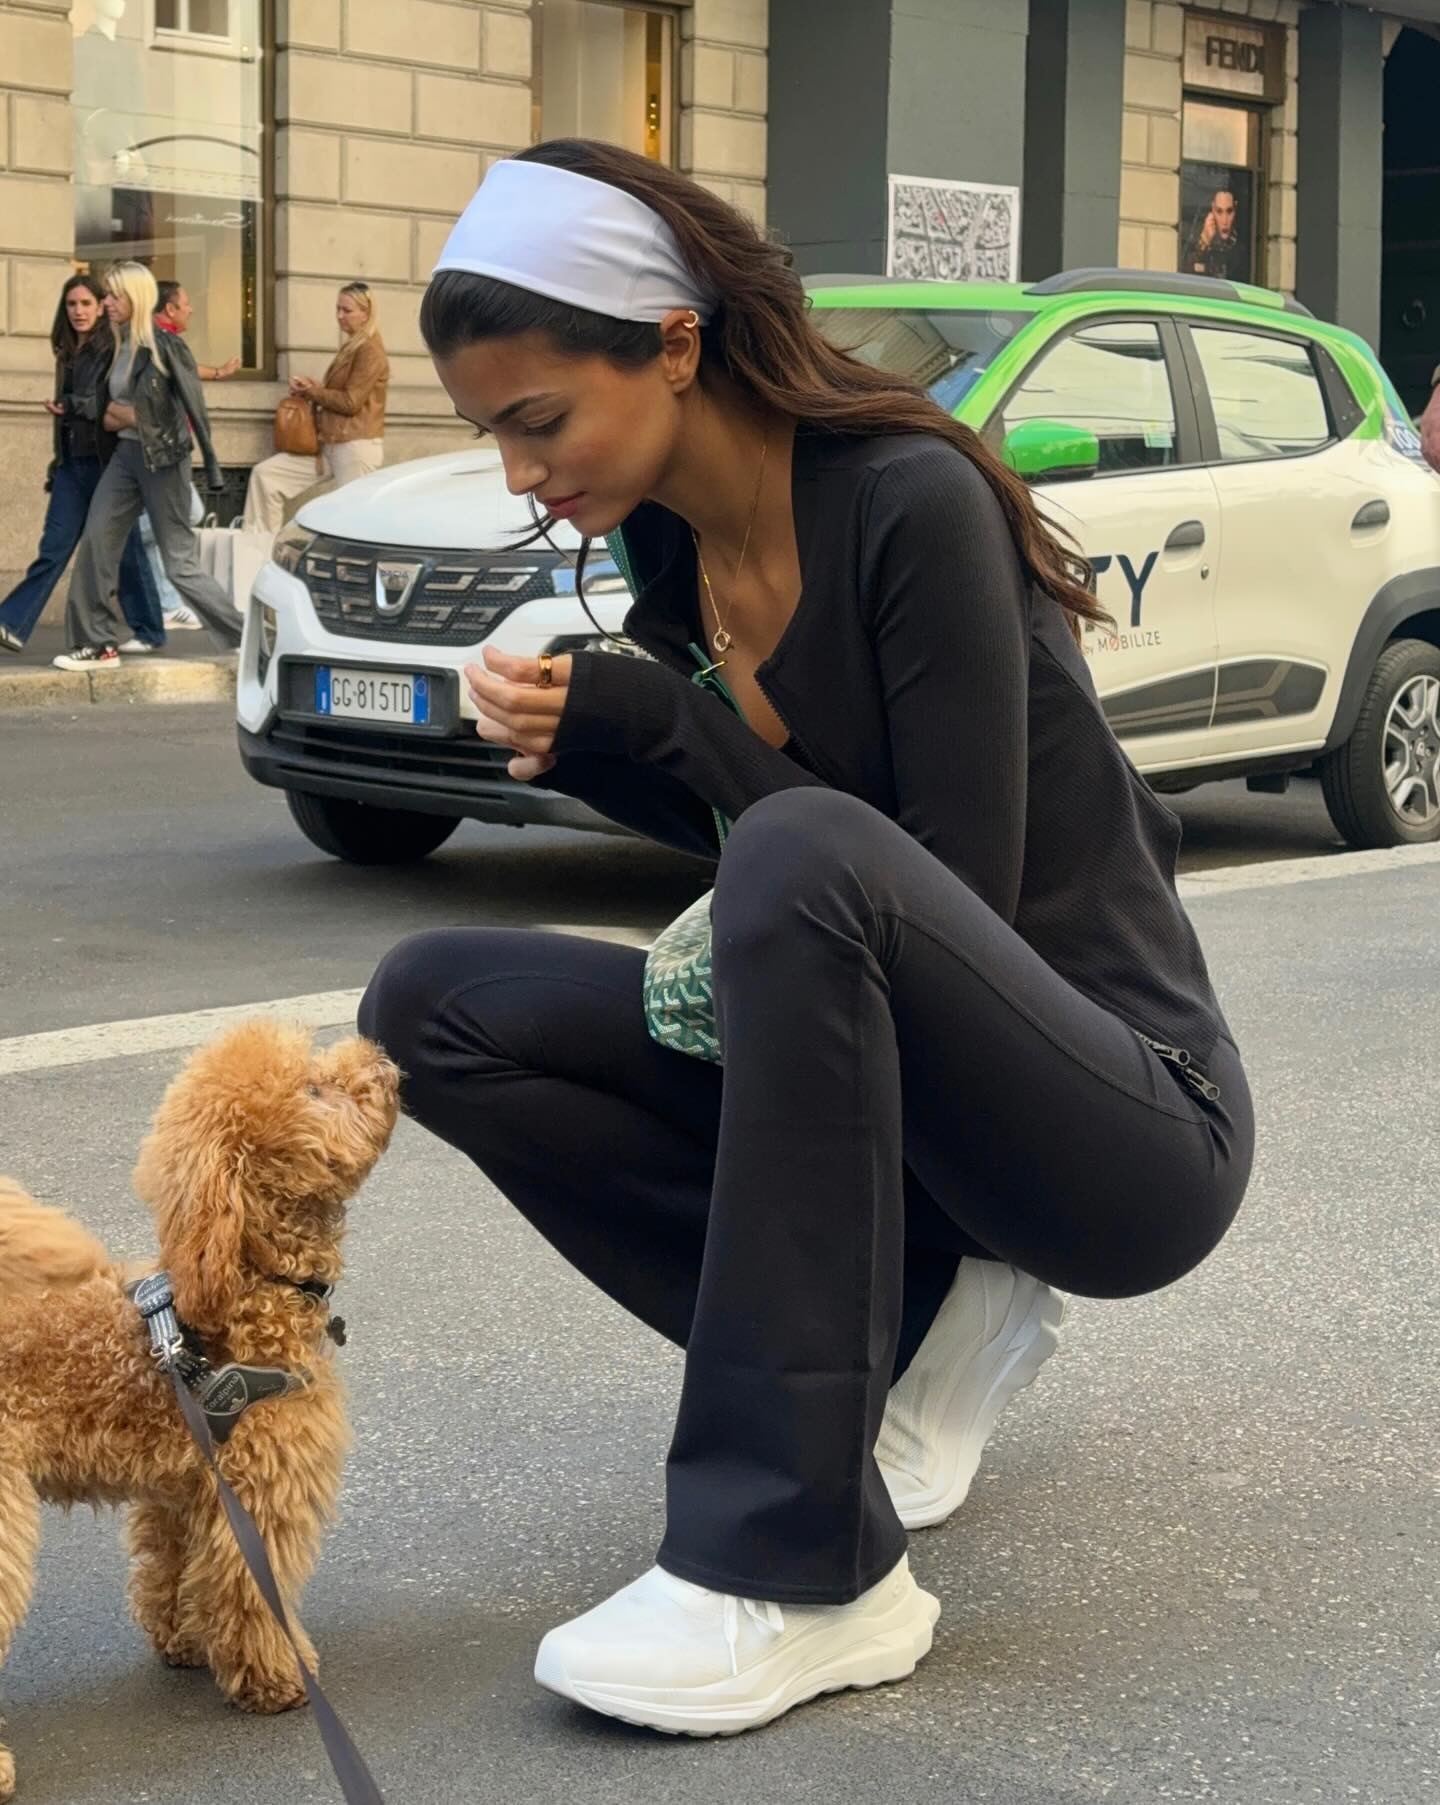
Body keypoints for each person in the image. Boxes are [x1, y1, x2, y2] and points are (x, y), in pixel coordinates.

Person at [359, 142, 1255, 1738]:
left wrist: (676, 736)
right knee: (434, 1003)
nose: (517, 474)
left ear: (676, 344)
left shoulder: (909, 507)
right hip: (910, 1120)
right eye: (492, 432)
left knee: (800, 857)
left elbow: (934, 890)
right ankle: (901, 1325)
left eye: (539, 419)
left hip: (1122, 1113)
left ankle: (804, 1566)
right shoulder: (664, 553)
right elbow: (778, 883)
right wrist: (601, 745)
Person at [53, 261, 242, 670]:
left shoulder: (165, 346)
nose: (106, 304)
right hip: (125, 457)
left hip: (163, 459)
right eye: (106, 296)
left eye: (114, 296)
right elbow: (107, 408)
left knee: (179, 563)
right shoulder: (115, 346)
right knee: (96, 543)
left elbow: (188, 410)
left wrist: (209, 465)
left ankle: (244, 635)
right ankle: (97, 644)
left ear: (136, 298)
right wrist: (75, 407)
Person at [0, 275, 166, 658]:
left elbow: (103, 404)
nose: (78, 312)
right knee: (54, 548)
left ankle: (150, 629)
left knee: (125, 553)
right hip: (72, 467)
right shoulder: (67, 351)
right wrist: (57, 462)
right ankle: (11, 623)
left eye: (86, 304)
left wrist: (72, 407)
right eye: (72, 304)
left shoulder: (113, 348)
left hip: (109, 465)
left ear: (100, 307)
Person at [240, 282, 389, 534]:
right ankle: (256, 552)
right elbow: (343, 395)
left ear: (366, 312)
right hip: (330, 444)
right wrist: (313, 388)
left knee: (354, 522)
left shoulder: (369, 350)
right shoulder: (353, 346)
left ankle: (350, 571)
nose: (340, 316)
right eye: (337, 309)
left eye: (347, 310)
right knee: (266, 476)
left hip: (355, 446)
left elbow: (351, 402)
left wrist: (312, 392)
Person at [153, 279, 241, 381]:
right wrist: (220, 372)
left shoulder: (152, 336)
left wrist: (220, 372)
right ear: (170, 309)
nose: (191, 310)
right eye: (186, 304)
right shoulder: (164, 341)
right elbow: (185, 369)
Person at [1186, 188, 1245, 282]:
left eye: (1229, 211)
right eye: (1219, 211)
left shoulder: (1241, 248)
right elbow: (1186, 273)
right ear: (1212, 211)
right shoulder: (1198, 240)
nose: (1224, 220)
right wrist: (1204, 244)